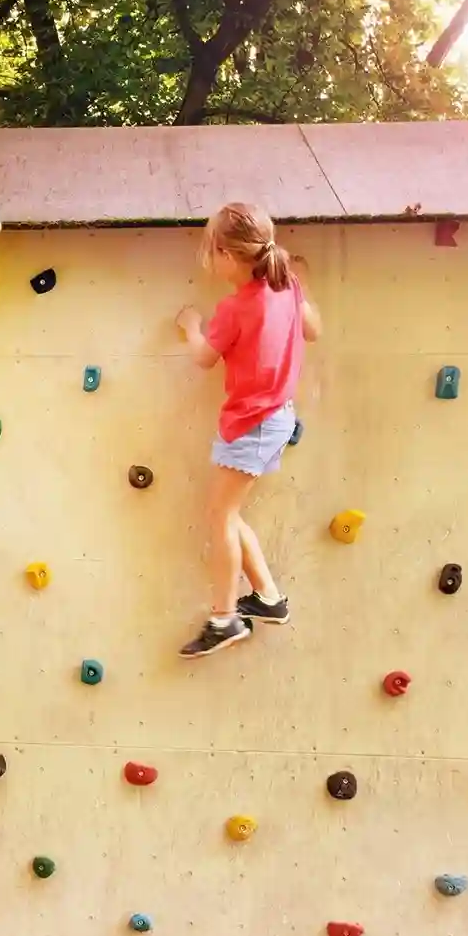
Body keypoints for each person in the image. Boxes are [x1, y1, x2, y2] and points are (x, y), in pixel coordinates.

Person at [173, 201, 321, 659]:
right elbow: (313, 330)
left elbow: (204, 358)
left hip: (252, 422)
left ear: (227, 255)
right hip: (275, 417)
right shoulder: (287, 287)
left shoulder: (235, 308)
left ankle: (224, 618)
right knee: (229, 513)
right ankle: (268, 599)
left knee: (220, 516)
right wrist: (300, 290)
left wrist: (191, 327)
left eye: (212, 253)